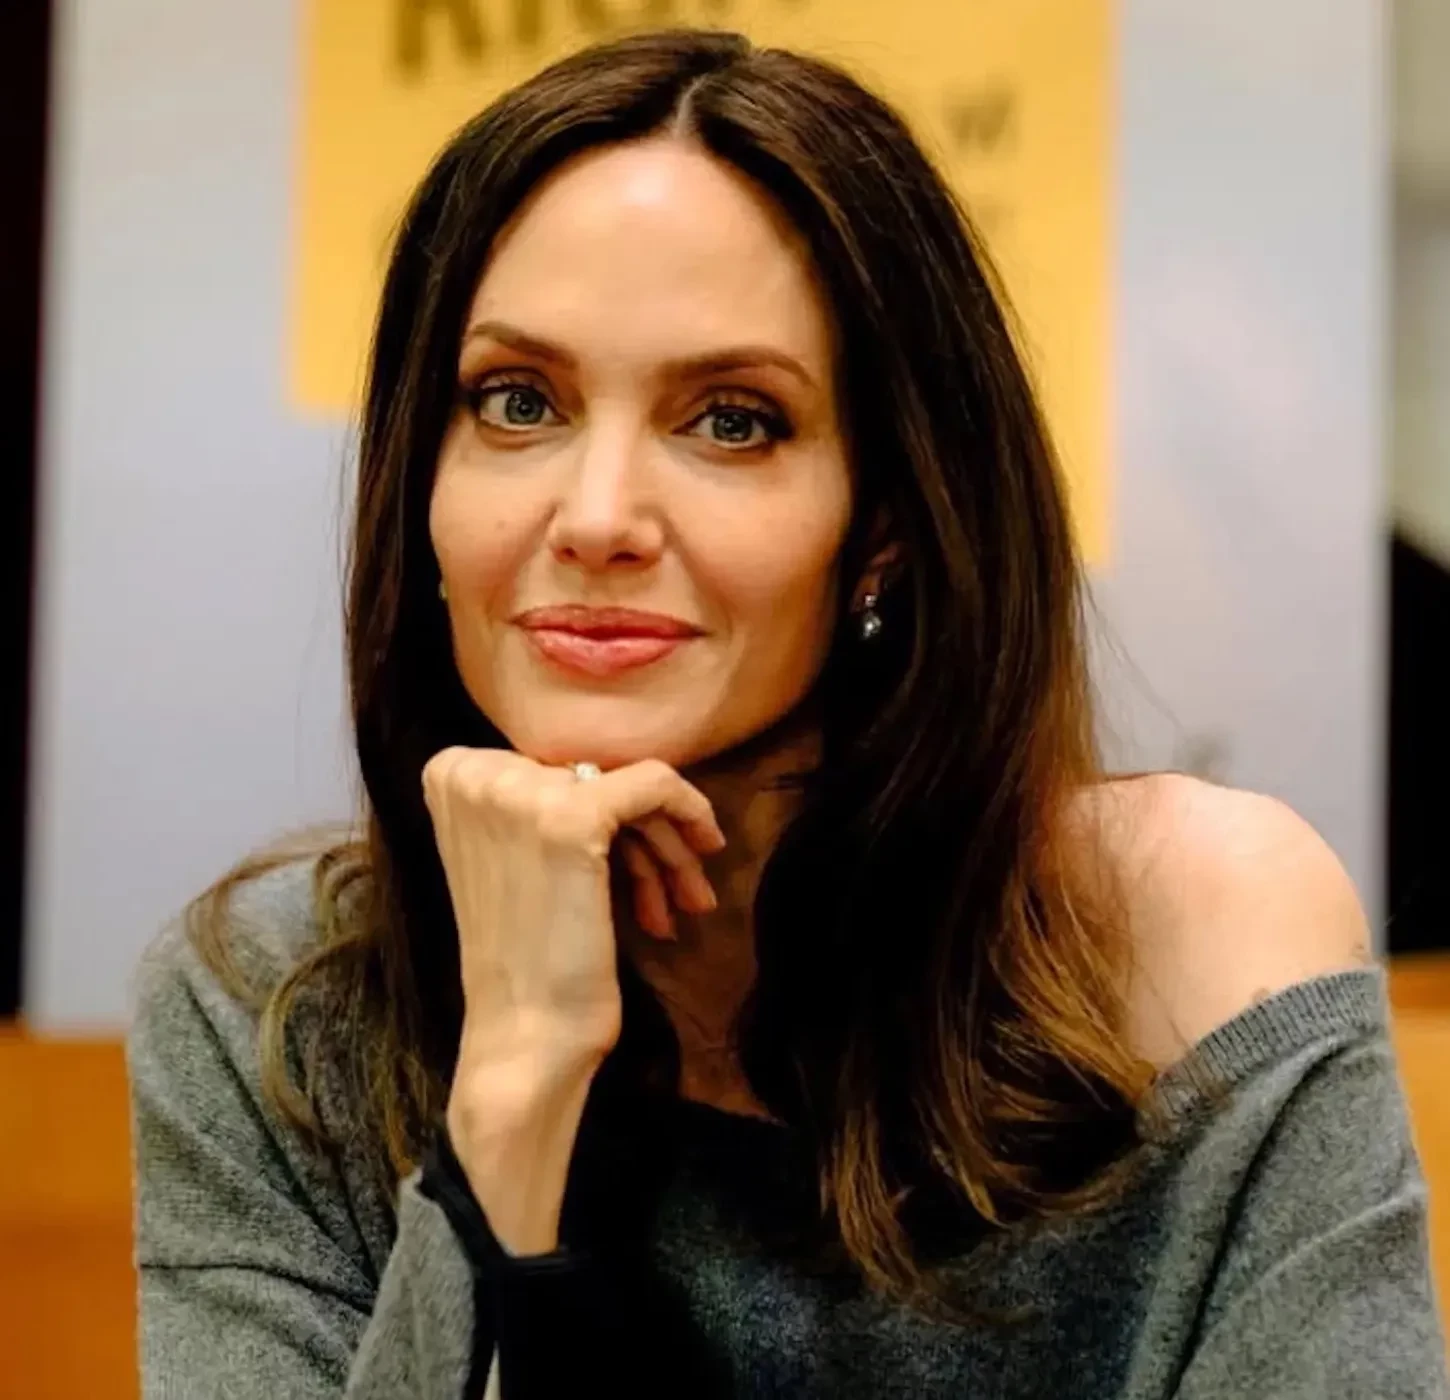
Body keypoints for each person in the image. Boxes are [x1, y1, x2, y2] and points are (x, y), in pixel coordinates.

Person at [127, 27, 1447, 1399]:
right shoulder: (272, 1013)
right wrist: (512, 1086)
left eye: (732, 421)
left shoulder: (1189, 943)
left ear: (884, 526)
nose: (597, 517)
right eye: (517, 403)